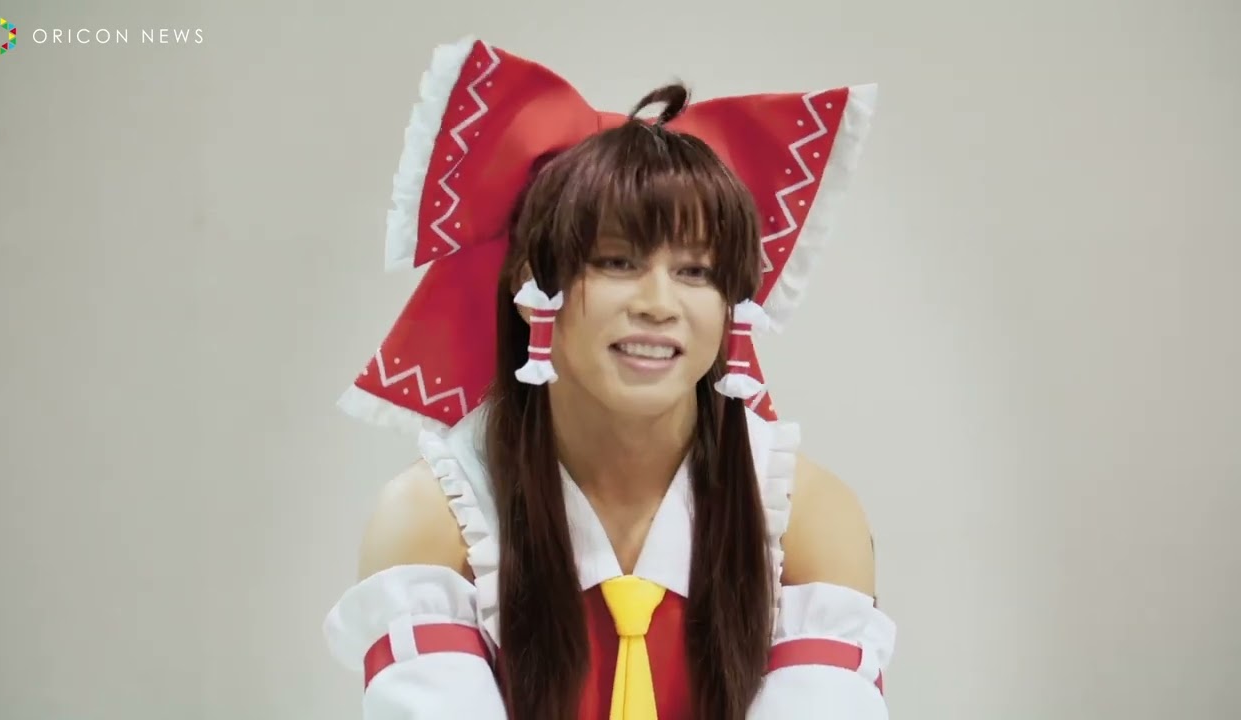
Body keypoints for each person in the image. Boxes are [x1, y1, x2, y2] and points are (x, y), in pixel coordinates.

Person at [323, 35, 896, 720]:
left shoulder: (804, 515)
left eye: (696, 271)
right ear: (532, 286)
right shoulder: (434, 519)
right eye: (618, 262)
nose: (659, 304)